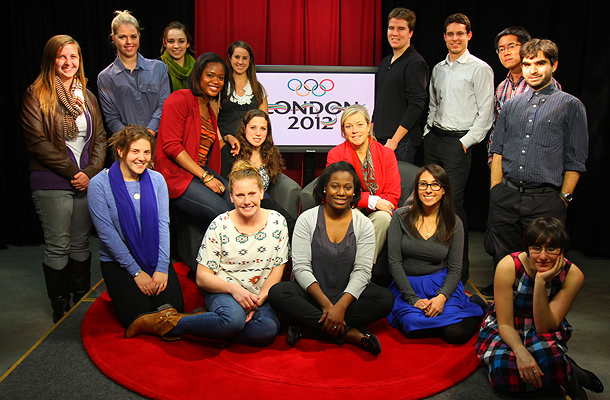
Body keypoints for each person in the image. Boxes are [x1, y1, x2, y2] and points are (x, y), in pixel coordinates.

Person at [123, 160, 289, 346]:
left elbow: (276, 271)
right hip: (225, 290)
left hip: (259, 295)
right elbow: (202, 278)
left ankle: (211, 322)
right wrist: (235, 290)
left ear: (261, 193)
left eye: (252, 194)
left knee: (267, 329)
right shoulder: (220, 225)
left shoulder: (277, 222)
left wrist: (256, 302)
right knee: (233, 320)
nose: (247, 201)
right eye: (240, 195)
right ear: (231, 197)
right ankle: (169, 322)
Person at [485, 39, 588, 292]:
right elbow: (497, 150)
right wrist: (496, 190)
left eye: (540, 63)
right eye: (527, 64)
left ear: (554, 65)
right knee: (504, 261)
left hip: (545, 199)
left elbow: (575, 160)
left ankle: (539, 313)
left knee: (544, 267)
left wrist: (563, 199)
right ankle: (504, 311)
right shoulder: (511, 105)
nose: (532, 70)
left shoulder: (571, 105)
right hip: (506, 196)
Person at [21, 35, 106, 322]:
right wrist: (74, 173)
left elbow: (100, 137)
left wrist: (90, 173)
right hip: (51, 181)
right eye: (62, 57)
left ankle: (81, 301)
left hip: (85, 181)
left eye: (73, 57)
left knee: (81, 244)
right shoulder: (36, 94)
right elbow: (38, 143)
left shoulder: (87, 96)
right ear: (51, 60)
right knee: (59, 245)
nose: (69, 62)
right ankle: (61, 308)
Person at [269, 161, 395, 355]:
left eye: (347, 187)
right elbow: (301, 268)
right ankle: (348, 332)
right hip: (312, 295)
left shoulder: (364, 224)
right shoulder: (306, 219)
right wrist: (327, 306)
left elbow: (362, 271)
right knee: (278, 293)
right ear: (325, 189)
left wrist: (340, 307)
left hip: (347, 296)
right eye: (335, 186)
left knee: (385, 299)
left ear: (354, 192)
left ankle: (309, 325)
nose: (341, 192)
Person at [476, 217, 603, 399]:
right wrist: (521, 352)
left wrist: (541, 282)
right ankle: (567, 367)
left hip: (543, 326)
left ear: (562, 251)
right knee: (503, 371)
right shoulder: (509, 265)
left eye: (551, 249)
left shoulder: (573, 275)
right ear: (527, 249)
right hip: (507, 325)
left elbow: (544, 326)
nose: (543, 256)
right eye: (536, 248)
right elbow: (504, 323)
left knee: (550, 361)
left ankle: (571, 380)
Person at [88, 125, 184, 329]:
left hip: (154, 256)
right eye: (135, 151)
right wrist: (136, 272)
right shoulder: (99, 184)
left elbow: (163, 225)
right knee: (136, 316)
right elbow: (107, 234)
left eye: (146, 152)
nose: (142, 158)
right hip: (119, 262)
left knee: (175, 308)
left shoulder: (157, 180)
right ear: (121, 151)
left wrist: (161, 268)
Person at [424, 13, 495, 282]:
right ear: (444, 37)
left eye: (460, 34)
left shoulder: (480, 68)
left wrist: (465, 143)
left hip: (459, 143)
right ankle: (434, 264)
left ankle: (459, 272)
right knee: (429, 201)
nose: (455, 38)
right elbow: (434, 103)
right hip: (434, 139)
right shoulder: (438, 68)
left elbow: (486, 113)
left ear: (469, 36)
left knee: (452, 205)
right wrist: (428, 132)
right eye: (451, 34)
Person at [386, 164, 484, 344]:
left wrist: (441, 298)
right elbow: (394, 262)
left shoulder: (454, 222)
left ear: (444, 190)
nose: (428, 190)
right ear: (416, 189)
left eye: (435, 184)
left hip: (440, 285)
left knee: (455, 334)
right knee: (412, 326)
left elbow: (455, 268)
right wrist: (413, 299)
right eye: (423, 184)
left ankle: (475, 307)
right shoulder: (400, 216)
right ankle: (443, 319)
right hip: (409, 285)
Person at [155, 52, 240, 225]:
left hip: (199, 172)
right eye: (210, 75)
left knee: (237, 204)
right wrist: (206, 177)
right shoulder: (179, 99)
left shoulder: (209, 110)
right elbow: (172, 146)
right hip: (176, 175)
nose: (216, 81)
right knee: (224, 215)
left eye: (221, 78)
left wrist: (229, 138)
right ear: (198, 76)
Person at [327, 105, 401, 262]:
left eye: (360, 124)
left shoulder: (387, 154)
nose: (355, 130)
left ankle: (363, 267)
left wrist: (373, 204)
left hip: (377, 211)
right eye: (349, 126)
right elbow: (334, 193)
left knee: (383, 218)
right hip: (349, 209)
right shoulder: (336, 155)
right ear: (343, 131)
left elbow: (392, 196)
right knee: (352, 215)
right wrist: (370, 201)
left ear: (369, 127)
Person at [486, 27, 561, 166]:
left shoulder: (545, 83)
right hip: (504, 161)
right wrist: (492, 160)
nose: (506, 52)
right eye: (501, 49)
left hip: (535, 162)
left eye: (511, 46)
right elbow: (496, 127)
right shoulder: (501, 87)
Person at [97, 10, 170, 136]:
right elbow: (112, 119)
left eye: (133, 36)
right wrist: (134, 142)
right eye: (122, 37)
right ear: (113, 38)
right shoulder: (105, 77)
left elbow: (163, 107)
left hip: (158, 143)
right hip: (126, 144)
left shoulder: (159, 69)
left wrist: (148, 136)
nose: (129, 42)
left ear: (139, 36)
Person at [371, 7, 428, 163]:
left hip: (401, 144)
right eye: (391, 28)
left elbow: (416, 106)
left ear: (410, 33)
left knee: (400, 180)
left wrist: (394, 141)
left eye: (401, 29)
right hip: (380, 140)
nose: (394, 33)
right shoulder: (386, 61)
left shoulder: (415, 63)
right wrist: (372, 130)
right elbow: (381, 100)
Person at [231, 109, 295, 234]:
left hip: (261, 203)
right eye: (253, 128)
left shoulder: (270, 154)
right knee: (268, 201)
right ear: (244, 129)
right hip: (243, 201)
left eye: (263, 129)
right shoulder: (235, 150)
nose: (258, 133)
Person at [217, 41, 268, 139]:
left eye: (245, 58)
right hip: (224, 144)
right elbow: (212, 120)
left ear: (250, 60)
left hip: (249, 146)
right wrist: (221, 142)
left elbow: (264, 122)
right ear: (229, 58)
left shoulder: (257, 89)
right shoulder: (220, 85)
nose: (240, 62)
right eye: (237, 57)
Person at [159, 21, 195, 92]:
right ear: (164, 43)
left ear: (188, 43)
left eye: (181, 41)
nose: (176, 46)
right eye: (171, 41)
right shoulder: (157, 67)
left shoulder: (196, 66)